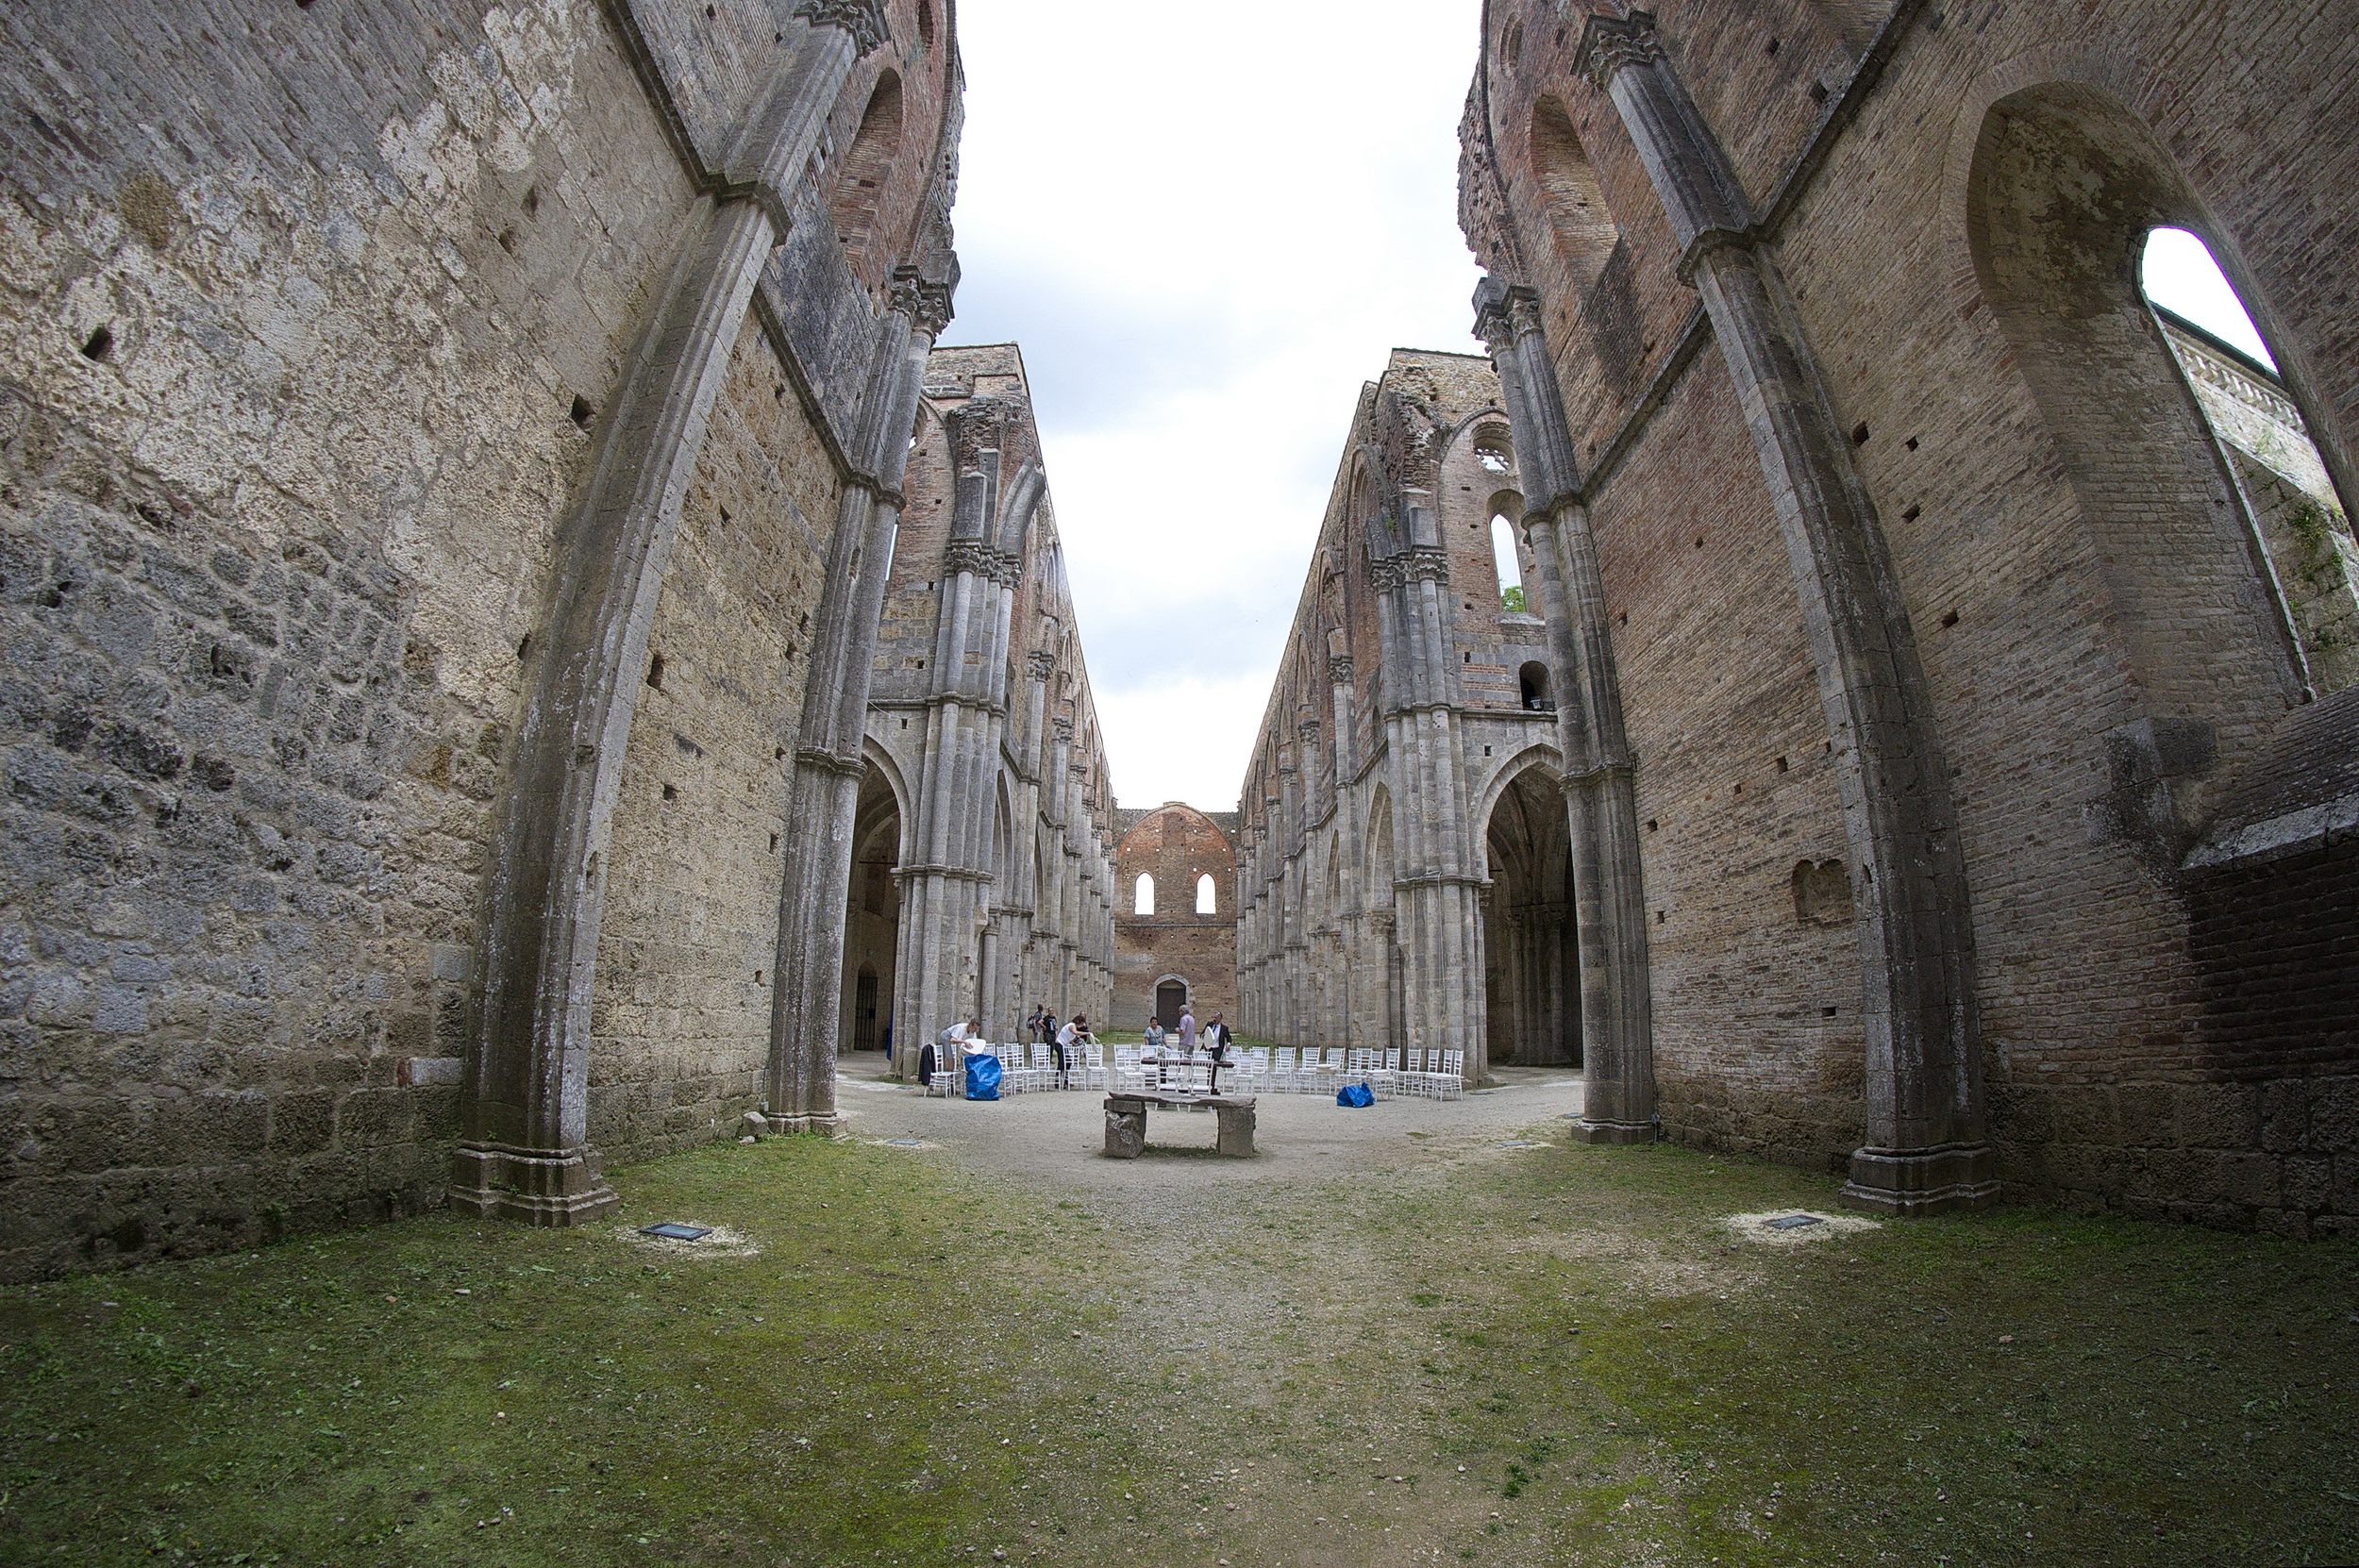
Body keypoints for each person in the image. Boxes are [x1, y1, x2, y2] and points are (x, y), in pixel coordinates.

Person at [1054, 1013, 1093, 1090]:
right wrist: (1087, 1033)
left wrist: (1074, 1044)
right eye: (1081, 1024)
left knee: (1068, 1062)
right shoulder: (1072, 1026)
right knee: (1061, 1063)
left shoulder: (1073, 1028)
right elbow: (1075, 1033)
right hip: (1059, 1044)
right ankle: (1057, 1081)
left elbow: (1070, 1038)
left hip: (1064, 1045)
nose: (1081, 1026)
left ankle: (1066, 1080)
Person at [1203, 1010, 1232, 1093]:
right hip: (1209, 1048)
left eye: (1217, 1018)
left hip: (1217, 1049)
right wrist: (1204, 1037)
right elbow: (1203, 1034)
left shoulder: (1224, 1028)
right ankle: (1208, 1084)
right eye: (1214, 1017)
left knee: (1214, 1067)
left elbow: (1229, 1038)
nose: (1215, 1019)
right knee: (1209, 1067)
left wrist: (1228, 1044)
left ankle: (1212, 1085)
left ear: (1220, 1019)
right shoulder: (1210, 1025)